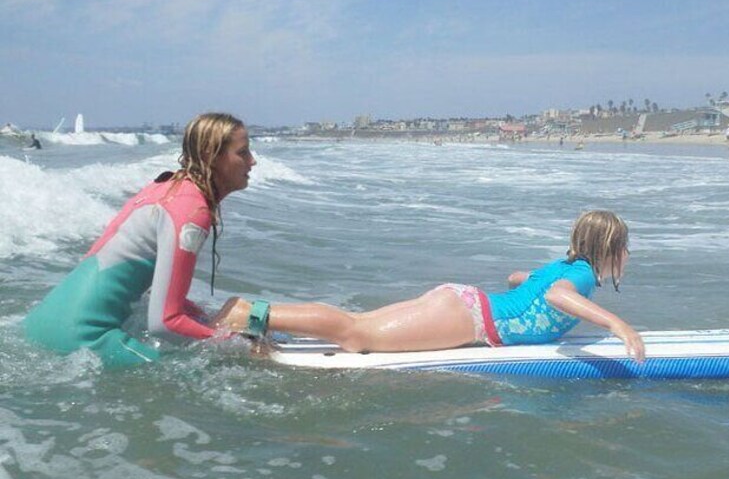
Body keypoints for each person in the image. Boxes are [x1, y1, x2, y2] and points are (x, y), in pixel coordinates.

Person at [216, 210, 645, 362]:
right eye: (626, 247)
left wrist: (529, 285)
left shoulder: (563, 265)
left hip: (462, 303)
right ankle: (252, 313)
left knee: (357, 323)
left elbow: (523, 280)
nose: (628, 255)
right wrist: (618, 326)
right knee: (356, 335)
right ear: (611, 247)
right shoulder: (583, 276)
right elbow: (555, 297)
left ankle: (262, 322)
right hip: (472, 320)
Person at [24, 112, 256, 367]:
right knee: (194, 378)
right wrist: (240, 346)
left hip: (40, 322)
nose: (252, 161)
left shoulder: (165, 187)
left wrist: (204, 319)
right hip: (84, 338)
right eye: (243, 152)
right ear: (212, 156)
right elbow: (165, 322)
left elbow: (155, 293)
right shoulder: (193, 212)